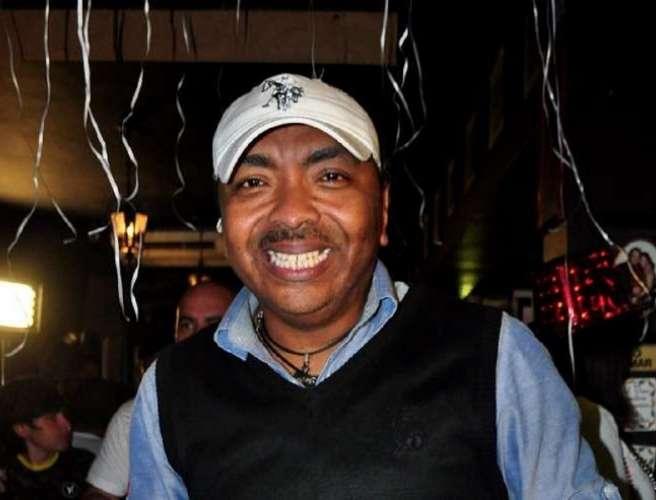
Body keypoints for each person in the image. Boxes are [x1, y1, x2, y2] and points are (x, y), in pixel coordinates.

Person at [129, 73, 620, 499]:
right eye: (253, 183)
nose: (292, 212)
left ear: (382, 210)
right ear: (223, 226)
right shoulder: (171, 390)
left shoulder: (495, 358)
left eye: (330, 176)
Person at [82, 280, 234, 499]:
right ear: (176, 334)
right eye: (187, 325)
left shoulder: (267, 411)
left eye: (213, 325)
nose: (197, 336)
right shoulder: (137, 416)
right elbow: (101, 493)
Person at [0, 378, 94, 499]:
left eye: (65, 414)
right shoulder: (6, 471)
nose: (67, 425)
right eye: (52, 418)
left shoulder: (84, 466)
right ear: (21, 428)